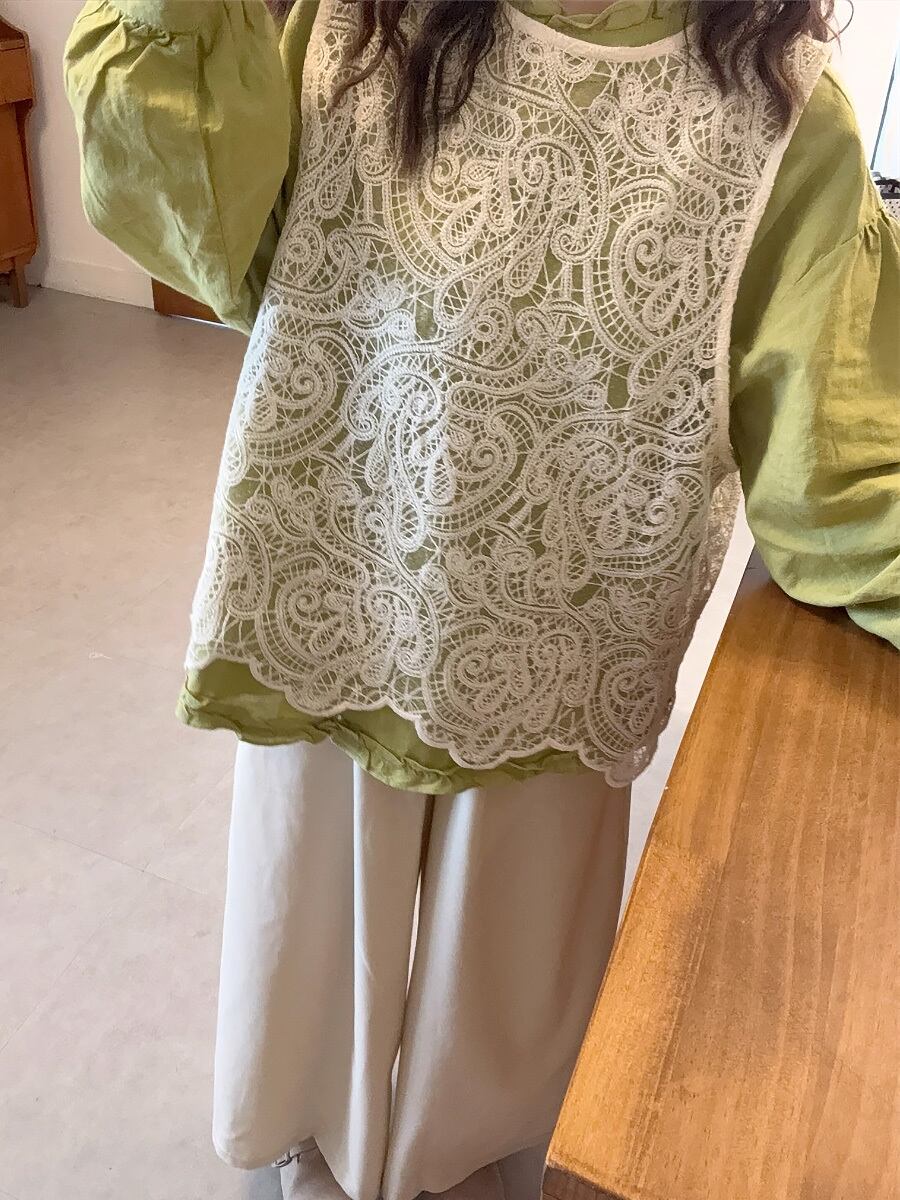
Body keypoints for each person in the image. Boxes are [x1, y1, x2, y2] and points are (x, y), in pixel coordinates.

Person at [64, 2, 900, 1198]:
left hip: (560, 631)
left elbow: (841, 461)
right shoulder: (352, 24)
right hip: (337, 574)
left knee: (499, 967)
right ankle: (310, 1130)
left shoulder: (780, 116)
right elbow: (206, 227)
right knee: (312, 924)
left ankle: (454, 1155)